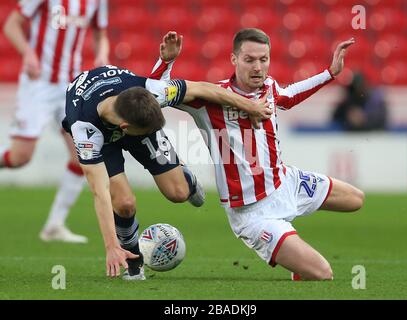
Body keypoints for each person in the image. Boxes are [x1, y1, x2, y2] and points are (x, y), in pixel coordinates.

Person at [63, 32, 272, 280]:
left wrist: (250, 106)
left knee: (178, 193)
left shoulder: (151, 92)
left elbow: (203, 89)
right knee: (124, 203)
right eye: (149, 131)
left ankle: (187, 179)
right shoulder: (85, 131)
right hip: (103, 134)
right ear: (126, 129)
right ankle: (133, 262)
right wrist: (111, 247)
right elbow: (99, 191)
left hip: (130, 111)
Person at [165, 28, 365, 280]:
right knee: (323, 274)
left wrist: (330, 73)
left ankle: (293, 251)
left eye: (264, 59)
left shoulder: (269, 87)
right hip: (253, 213)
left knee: (356, 200)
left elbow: (289, 96)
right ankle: (295, 258)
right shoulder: (209, 98)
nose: (258, 67)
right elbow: (156, 92)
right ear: (234, 59)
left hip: (286, 183)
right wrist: (166, 62)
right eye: (249, 60)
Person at [0, 0, 109, 243]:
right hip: (38, 83)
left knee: (82, 156)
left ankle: (54, 225)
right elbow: (11, 25)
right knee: (20, 157)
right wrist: (28, 54)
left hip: (70, 86)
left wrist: (102, 54)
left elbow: (100, 34)